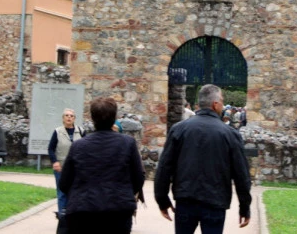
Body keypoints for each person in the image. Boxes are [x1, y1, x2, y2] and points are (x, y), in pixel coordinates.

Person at [155, 84, 252, 233]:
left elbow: (164, 167)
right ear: (215, 104)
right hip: (215, 200)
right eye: (222, 100)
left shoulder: (179, 129)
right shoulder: (230, 134)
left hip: (186, 198)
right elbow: (241, 174)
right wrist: (244, 206)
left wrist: (162, 199)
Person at [58, 97, 145, 233]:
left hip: (84, 209)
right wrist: (124, 191)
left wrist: (79, 193)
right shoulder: (127, 143)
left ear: (92, 118)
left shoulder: (78, 145)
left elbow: (64, 182)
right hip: (118, 210)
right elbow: (139, 177)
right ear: (114, 117)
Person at [48, 108, 85, 214]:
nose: (69, 117)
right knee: (62, 193)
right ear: (63, 118)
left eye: (71, 116)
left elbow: (86, 148)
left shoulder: (81, 131)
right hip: (61, 167)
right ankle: (62, 216)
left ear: (74, 118)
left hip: (77, 168)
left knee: (76, 192)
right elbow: (51, 148)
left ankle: (74, 215)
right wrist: (54, 162)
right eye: (67, 115)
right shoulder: (57, 132)